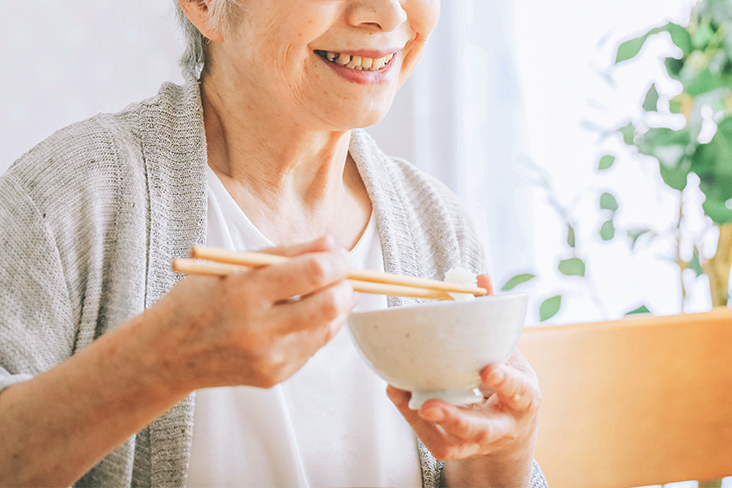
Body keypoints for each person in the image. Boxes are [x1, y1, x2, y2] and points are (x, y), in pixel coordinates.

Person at [0, 0, 546, 486]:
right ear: (205, 5)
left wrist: (503, 456)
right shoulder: (72, 196)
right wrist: (158, 362)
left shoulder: (437, 226)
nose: (390, 13)